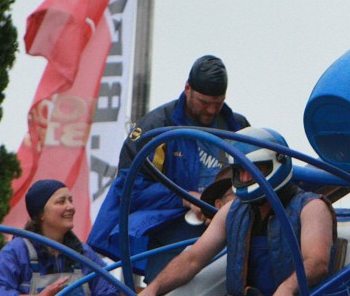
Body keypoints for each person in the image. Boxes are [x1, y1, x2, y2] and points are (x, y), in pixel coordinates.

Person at [121, 127, 335, 296]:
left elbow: (317, 262)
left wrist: (287, 289)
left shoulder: (311, 207)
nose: (244, 177)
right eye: (239, 171)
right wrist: (153, 289)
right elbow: (192, 259)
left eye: (253, 170)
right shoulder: (232, 211)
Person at [87, 55, 250, 279]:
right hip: (172, 227)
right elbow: (130, 188)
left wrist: (231, 200)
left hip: (228, 230)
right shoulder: (156, 127)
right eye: (204, 103)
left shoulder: (237, 127)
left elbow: (253, 178)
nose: (211, 111)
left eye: (218, 103)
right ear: (187, 88)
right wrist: (187, 199)